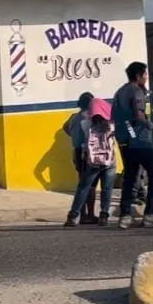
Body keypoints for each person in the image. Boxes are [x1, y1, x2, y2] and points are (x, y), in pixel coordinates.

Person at [112, 61, 153, 229]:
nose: (147, 78)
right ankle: (150, 214)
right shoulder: (137, 91)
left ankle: (125, 215)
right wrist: (149, 125)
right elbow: (139, 115)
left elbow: (115, 117)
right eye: (145, 74)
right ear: (139, 76)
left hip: (124, 139)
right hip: (139, 139)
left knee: (130, 176)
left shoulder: (119, 92)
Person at [65, 98, 117, 227]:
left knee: (83, 187)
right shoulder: (111, 124)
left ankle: (73, 216)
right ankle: (104, 216)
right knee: (106, 189)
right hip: (109, 160)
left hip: (92, 160)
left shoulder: (85, 123)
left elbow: (78, 138)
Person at [63, 92, 98, 224]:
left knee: (82, 183)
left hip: (76, 153)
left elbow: (65, 128)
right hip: (88, 152)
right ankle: (90, 214)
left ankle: (82, 214)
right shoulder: (91, 118)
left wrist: (74, 135)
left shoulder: (74, 117)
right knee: (92, 185)